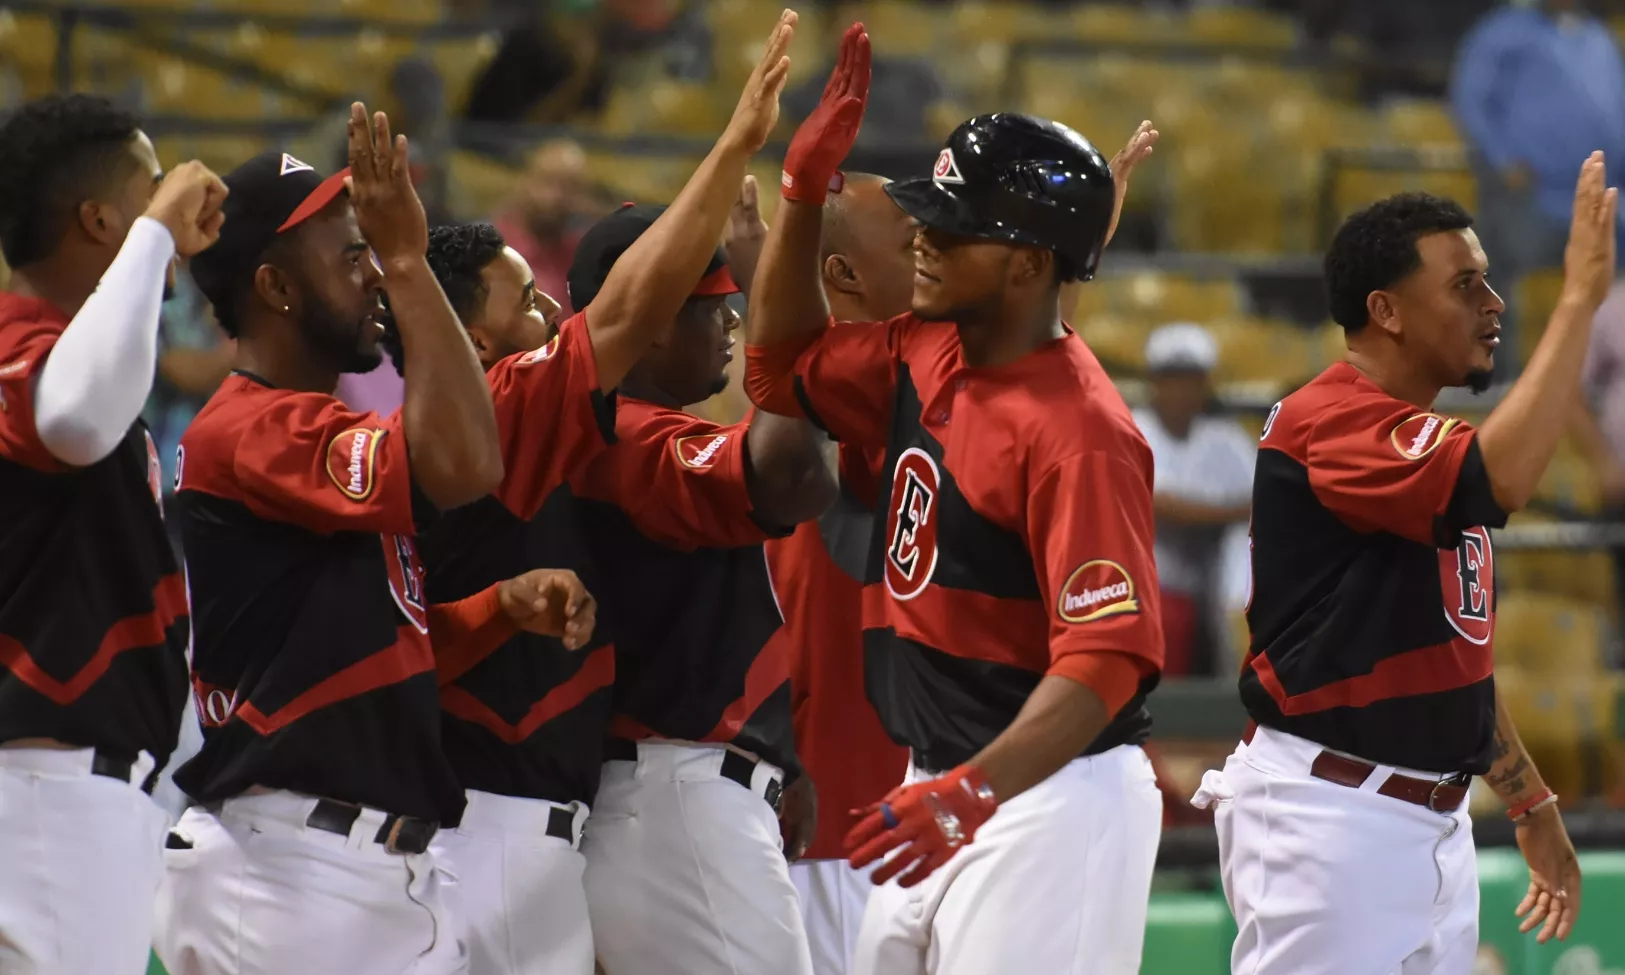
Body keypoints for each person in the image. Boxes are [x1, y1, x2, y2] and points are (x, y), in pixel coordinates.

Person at [746, 22, 1167, 973]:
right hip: (941, 774)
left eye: (954, 227)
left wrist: (972, 791)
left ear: (1027, 264)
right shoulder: (924, 346)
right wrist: (802, 193)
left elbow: (1104, 664)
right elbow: (778, 373)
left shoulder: (1083, 433)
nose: (925, 240)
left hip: (1048, 795)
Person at [412, 18, 806, 974]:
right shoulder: (542, 428)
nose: (548, 314)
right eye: (525, 303)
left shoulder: (549, 430)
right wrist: (738, 155)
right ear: (466, 340)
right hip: (554, 811)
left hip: (570, 814)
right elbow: (786, 473)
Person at [152, 106, 580, 975]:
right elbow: (465, 462)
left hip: (366, 870)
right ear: (276, 287)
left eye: (372, 252)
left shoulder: (315, 428)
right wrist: (415, 261)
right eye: (351, 256)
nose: (374, 273)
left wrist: (495, 609)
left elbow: (373, 663)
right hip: (289, 876)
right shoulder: (246, 429)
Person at [1192, 170, 1615, 971]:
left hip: (1425, 817)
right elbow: (1505, 479)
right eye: (1464, 284)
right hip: (1329, 816)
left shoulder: (1419, 439)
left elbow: (1451, 662)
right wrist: (1576, 302)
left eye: (1489, 281)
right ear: (1383, 310)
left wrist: (1527, 801)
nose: (1492, 302)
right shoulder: (1329, 417)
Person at [571, 209, 835, 975]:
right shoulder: (622, 435)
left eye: (734, 302)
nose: (730, 320)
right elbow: (794, 477)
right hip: (674, 796)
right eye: (711, 304)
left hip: (680, 790)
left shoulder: (630, 428)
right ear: (648, 321)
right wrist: (776, 305)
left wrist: (777, 758)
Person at [0, 92, 225, 975]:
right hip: (48, 784)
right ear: (102, 220)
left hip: (76, 783)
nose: (171, 204)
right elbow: (79, 420)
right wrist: (155, 238)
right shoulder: (24, 344)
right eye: (152, 189)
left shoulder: (68, 350)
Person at [765, 171, 913, 975]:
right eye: (913, 242)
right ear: (846, 274)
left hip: (905, 811)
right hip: (838, 828)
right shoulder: (833, 408)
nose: (934, 256)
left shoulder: (902, 387)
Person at [1450, 0, 1625, 369]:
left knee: (1605, 288)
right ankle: (1503, 378)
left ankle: (1596, 384)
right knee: (1507, 288)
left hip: (1602, 191)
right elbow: (1470, 97)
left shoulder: (1596, 37)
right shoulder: (1505, 31)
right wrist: (1502, 160)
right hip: (1533, 193)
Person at [1132, 322, 1255, 677]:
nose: (1182, 389)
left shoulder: (1224, 438)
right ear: (1154, 382)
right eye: (1172, 377)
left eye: (1191, 378)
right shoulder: (1132, 426)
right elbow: (1164, 506)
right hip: (1151, 585)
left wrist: (1236, 515)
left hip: (1211, 584)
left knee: (1242, 542)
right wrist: (1232, 511)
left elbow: (1265, 501)